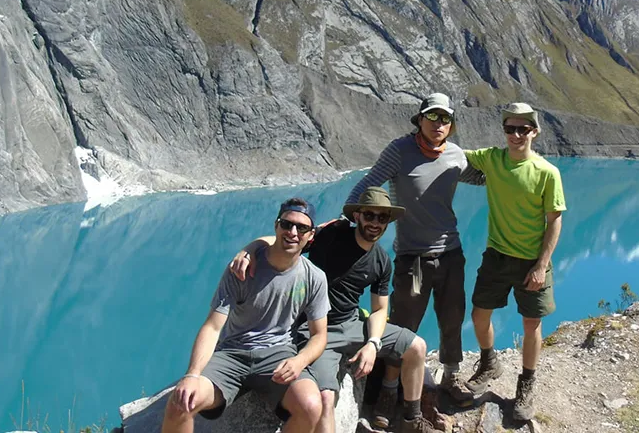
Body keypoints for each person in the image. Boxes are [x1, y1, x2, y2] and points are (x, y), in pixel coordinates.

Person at [229, 188, 441, 433]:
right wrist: (250, 248)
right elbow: (288, 237)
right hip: (316, 329)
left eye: (382, 218)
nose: (375, 223)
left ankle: (411, 421)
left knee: (417, 347)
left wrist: (373, 343)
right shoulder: (333, 234)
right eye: (370, 215)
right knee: (326, 399)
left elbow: (380, 309)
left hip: (352, 324)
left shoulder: (381, 260)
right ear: (358, 216)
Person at [344, 93, 484, 411]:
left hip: (450, 254)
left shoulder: (455, 155)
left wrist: (515, 170)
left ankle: (450, 376)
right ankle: (389, 389)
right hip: (416, 260)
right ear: (419, 119)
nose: (439, 124)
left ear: (451, 124)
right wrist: (346, 218)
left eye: (445, 118)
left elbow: (485, 177)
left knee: (452, 318)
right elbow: (370, 182)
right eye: (432, 117)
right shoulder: (400, 151)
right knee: (406, 325)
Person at [162, 198, 330, 433]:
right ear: (276, 226)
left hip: (278, 354)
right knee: (181, 402)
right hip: (232, 353)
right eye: (287, 224)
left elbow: (319, 335)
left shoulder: (315, 278)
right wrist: (192, 374)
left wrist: (299, 361)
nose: (293, 232)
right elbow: (212, 327)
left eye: (301, 228)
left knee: (312, 406)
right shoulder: (242, 269)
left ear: (310, 235)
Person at [461, 103, 566, 422]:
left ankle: (527, 383)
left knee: (531, 324)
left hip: (532, 261)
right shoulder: (491, 159)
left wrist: (541, 264)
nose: (516, 135)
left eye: (523, 129)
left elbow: (554, 221)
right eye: (510, 129)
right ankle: (490, 361)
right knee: (479, 314)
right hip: (496, 255)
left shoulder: (548, 172)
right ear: (504, 131)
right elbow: (455, 155)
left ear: (534, 132)